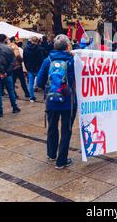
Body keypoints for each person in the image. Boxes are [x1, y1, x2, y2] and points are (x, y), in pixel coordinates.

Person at [36, 34, 76, 169]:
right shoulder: (72, 61)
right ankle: (61, 161)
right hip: (68, 101)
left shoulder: (48, 60)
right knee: (66, 130)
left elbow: (39, 82)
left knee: (52, 127)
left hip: (51, 100)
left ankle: (51, 154)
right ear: (67, 46)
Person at [0, 34, 21, 117]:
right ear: (5, 40)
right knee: (10, 91)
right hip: (7, 73)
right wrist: (6, 72)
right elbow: (12, 62)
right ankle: (14, 107)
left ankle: (0, 112)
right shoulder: (9, 48)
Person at [23, 36, 45, 102]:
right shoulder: (39, 49)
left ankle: (31, 97)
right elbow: (41, 59)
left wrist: (26, 67)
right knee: (42, 81)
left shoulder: (26, 48)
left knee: (30, 83)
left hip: (30, 67)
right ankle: (45, 96)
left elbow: (24, 58)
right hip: (38, 68)